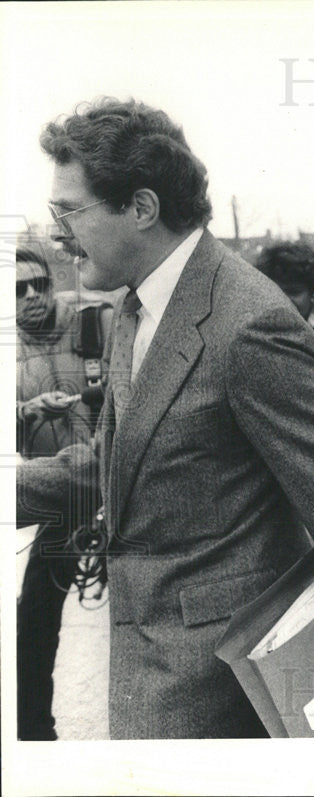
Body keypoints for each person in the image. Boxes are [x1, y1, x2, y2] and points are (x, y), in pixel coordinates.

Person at [16, 98, 314, 739]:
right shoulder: (134, 308)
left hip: (218, 681)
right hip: (152, 660)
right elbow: (110, 462)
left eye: (69, 211)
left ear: (142, 208)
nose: (58, 231)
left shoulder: (248, 321)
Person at [15, 246, 109, 740]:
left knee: (140, 620)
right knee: (34, 619)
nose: (31, 297)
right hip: (60, 502)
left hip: (118, 490)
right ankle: (33, 733)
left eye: (39, 285)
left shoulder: (96, 320)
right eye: (17, 289)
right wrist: (26, 411)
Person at [255, 241, 314, 351]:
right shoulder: (255, 328)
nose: (285, 301)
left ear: (312, 292)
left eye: (294, 292)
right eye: (277, 293)